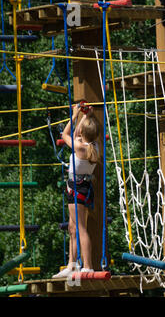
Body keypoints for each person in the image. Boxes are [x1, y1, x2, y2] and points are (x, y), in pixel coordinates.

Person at [52, 103, 101, 278]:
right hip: (81, 187)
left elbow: (65, 135)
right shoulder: (93, 146)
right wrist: (87, 116)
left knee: (80, 228)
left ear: (83, 134)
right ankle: (72, 265)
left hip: (77, 188)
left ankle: (87, 266)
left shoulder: (80, 147)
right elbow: (76, 134)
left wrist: (74, 116)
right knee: (73, 228)